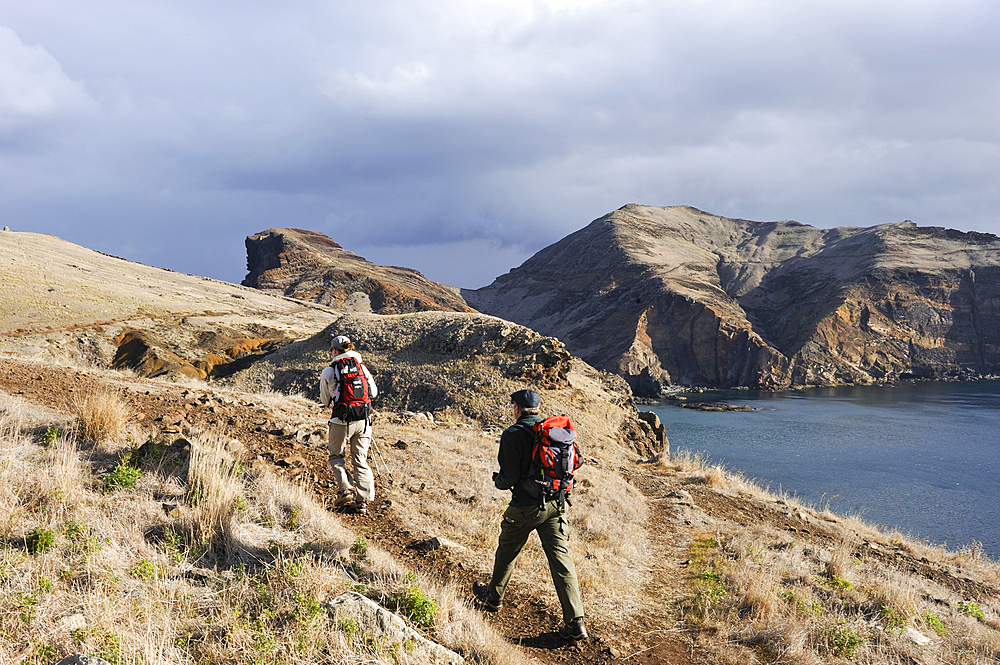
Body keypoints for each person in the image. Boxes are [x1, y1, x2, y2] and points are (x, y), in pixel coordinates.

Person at [472, 389, 587, 640]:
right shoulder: (552, 432)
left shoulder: (513, 434)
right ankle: (576, 622)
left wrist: (498, 481)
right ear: (536, 408)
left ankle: (494, 599)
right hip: (557, 504)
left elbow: (508, 478)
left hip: (525, 506)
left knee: (508, 550)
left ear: (517, 408)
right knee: (561, 561)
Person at [319, 334, 378, 513]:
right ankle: (363, 501)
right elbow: (373, 393)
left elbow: (324, 401)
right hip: (363, 420)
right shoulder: (362, 367)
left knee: (336, 456)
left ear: (334, 350)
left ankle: (345, 490)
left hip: (340, 421)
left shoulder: (329, 371)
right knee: (360, 459)